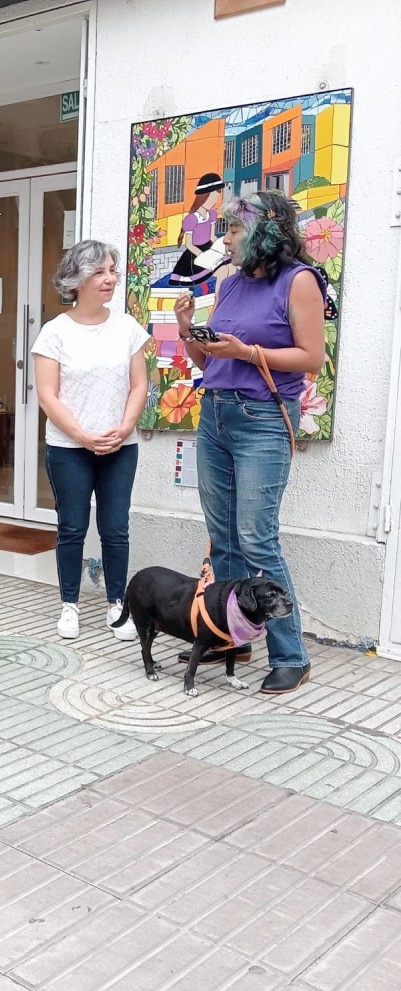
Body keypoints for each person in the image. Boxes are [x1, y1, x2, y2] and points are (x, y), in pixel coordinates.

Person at [175, 191, 325, 694]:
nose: (227, 239)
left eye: (235, 229)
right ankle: (230, 636)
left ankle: (290, 655)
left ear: (266, 231)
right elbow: (211, 364)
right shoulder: (231, 283)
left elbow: (311, 359)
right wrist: (186, 330)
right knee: (223, 537)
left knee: (257, 537)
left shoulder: (298, 280)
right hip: (214, 413)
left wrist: (248, 350)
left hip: (261, 418)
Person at [32, 240, 149, 642]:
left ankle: (118, 604)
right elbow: (48, 395)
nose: (110, 279)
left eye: (112, 271)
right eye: (100, 272)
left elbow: (139, 384)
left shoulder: (127, 328)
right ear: (77, 279)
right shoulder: (55, 332)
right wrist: (84, 436)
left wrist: (124, 427)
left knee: (116, 528)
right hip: (69, 450)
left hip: (120, 447)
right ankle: (70, 605)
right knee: (72, 527)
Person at [169, 172, 230, 286]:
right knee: (223, 272)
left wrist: (221, 248)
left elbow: (212, 237)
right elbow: (189, 245)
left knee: (231, 267)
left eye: (216, 197)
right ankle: (217, 301)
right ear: (204, 197)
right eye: (212, 197)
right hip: (195, 255)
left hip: (209, 250)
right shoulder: (192, 219)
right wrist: (204, 256)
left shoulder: (212, 214)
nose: (214, 201)